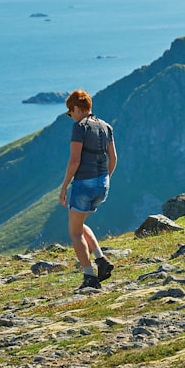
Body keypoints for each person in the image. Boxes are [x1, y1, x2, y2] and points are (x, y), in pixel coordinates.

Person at [59, 89, 117, 290]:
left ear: (76, 108)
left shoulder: (79, 127)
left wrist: (64, 186)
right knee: (80, 222)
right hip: (102, 184)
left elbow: (75, 160)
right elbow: (114, 159)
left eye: (70, 112)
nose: (71, 116)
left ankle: (89, 277)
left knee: (74, 232)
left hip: (83, 183)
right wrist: (105, 180)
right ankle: (101, 261)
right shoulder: (106, 126)